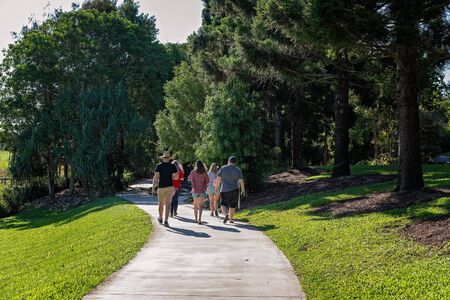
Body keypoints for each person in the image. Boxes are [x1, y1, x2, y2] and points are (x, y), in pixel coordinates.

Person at [152, 151, 179, 227]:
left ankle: (160, 217)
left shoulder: (158, 166)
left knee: (161, 204)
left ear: (163, 158)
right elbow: (176, 177)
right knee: (168, 204)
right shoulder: (172, 166)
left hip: (161, 187)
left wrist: (153, 188)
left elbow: (156, 177)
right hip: (170, 187)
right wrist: (172, 176)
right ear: (169, 158)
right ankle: (166, 220)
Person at [215, 156, 245, 224]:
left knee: (223, 204)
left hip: (224, 190)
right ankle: (231, 219)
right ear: (235, 162)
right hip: (235, 190)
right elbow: (241, 181)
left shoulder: (223, 168)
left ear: (228, 161)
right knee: (232, 205)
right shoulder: (238, 170)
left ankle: (226, 215)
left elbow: (218, 178)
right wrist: (243, 190)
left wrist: (216, 187)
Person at [188, 160, 209, 224]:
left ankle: (195, 219)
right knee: (200, 205)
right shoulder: (204, 172)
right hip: (202, 190)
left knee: (195, 205)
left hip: (195, 191)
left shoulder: (193, 172)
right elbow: (208, 181)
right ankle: (199, 219)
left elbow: (188, 179)